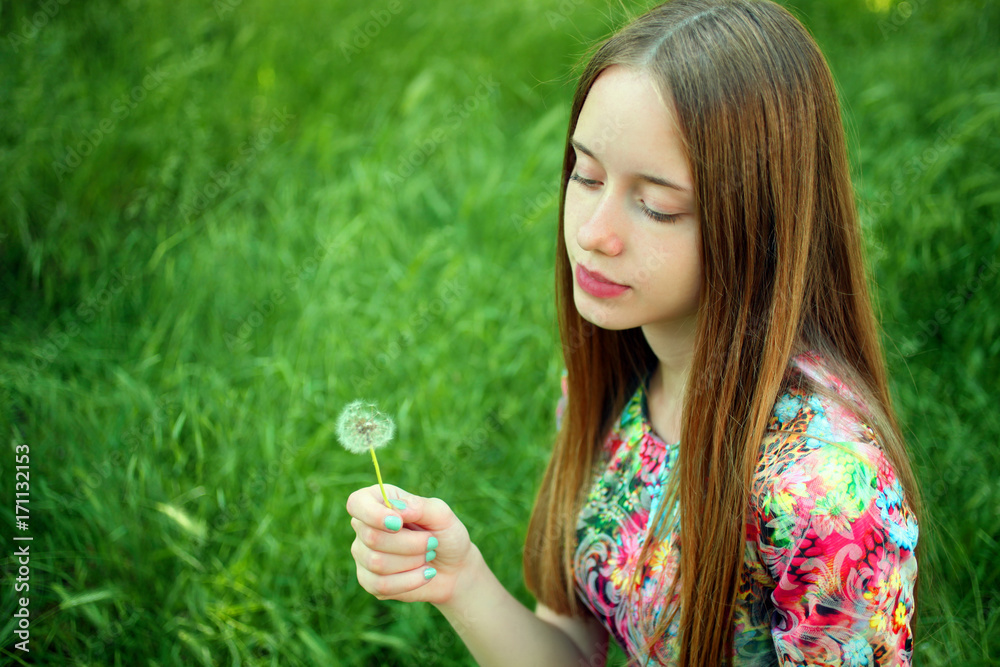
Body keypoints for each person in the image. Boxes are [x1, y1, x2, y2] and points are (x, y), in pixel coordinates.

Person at [346, 0, 921, 664]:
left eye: (655, 204)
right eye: (586, 175)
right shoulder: (611, 385)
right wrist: (460, 579)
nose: (594, 233)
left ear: (759, 223)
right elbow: (571, 647)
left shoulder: (825, 493)